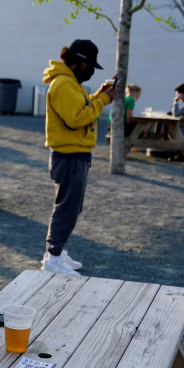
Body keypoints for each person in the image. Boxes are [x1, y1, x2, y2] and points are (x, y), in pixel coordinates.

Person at [40, 39, 117, 275]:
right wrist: (104, 99)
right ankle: (52, 259)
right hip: (70, 155)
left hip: (74, 155)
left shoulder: (69, 82)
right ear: (77, 63)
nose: (91, 70)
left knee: (71, 206)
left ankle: (57, 252)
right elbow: (76, 118)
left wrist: (99, 95)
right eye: (89, 65)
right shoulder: (63, 84)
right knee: (67, 207)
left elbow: (80, 108)